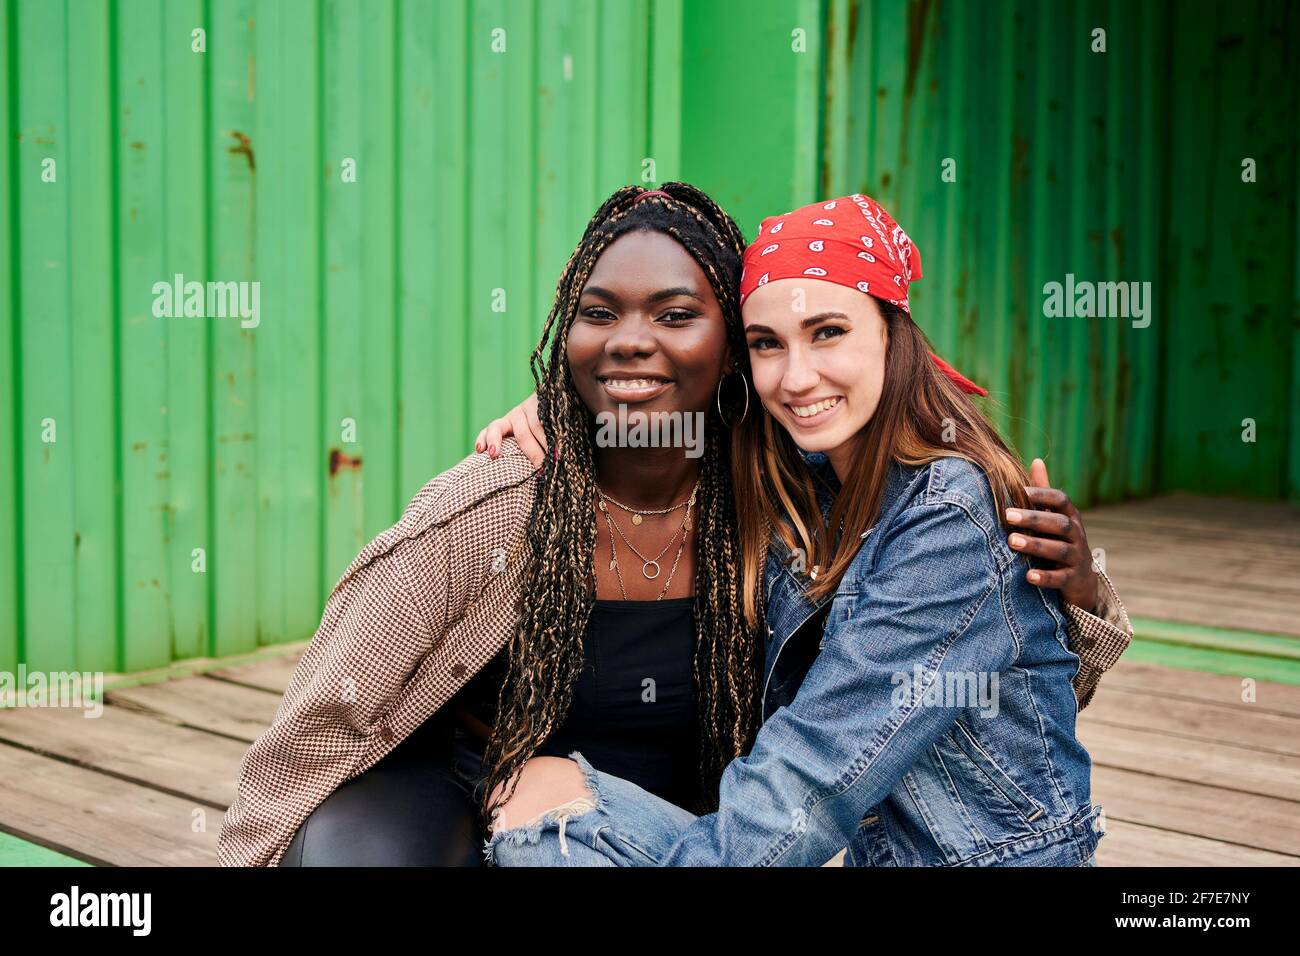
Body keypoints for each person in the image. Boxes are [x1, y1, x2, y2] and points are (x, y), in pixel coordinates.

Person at [216, 184, 1128, 867]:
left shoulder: (788, 497)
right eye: (599, 315)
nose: (629, 341)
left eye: (677, 315)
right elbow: (319, 721)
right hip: (497, 799)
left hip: (703, 824)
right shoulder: (498, 501)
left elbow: (989, 678)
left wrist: (1079, 590)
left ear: (726, 345)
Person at [482, 193, 1128, 866]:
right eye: (767, 344)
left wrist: (1083, 593)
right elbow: (666, 394)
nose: (797, 377)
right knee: (539, 801)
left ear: (890, 331)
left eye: (828, 333)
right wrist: (569, 404)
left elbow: (815, 779)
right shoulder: (804, 477)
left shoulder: (952, 514)